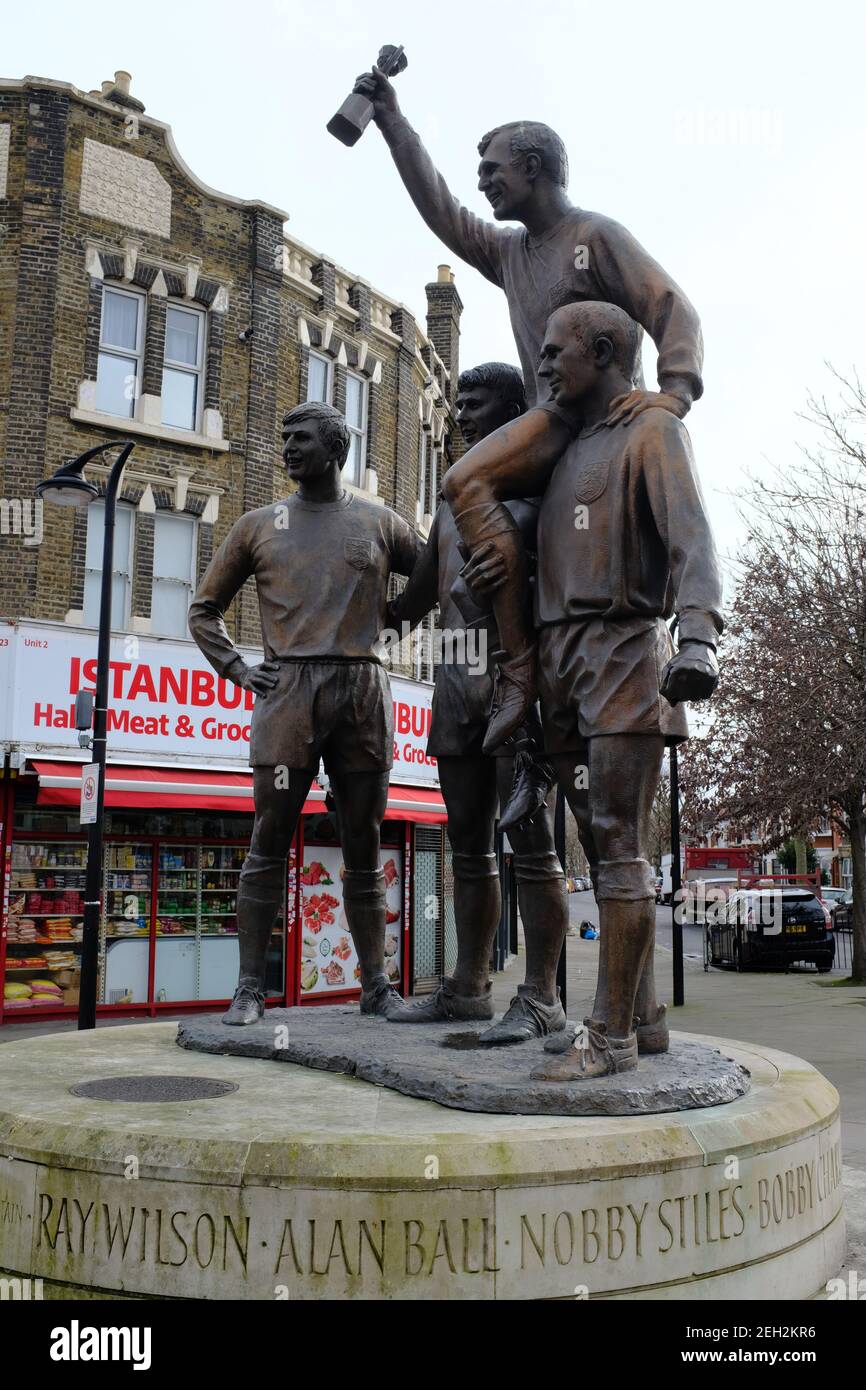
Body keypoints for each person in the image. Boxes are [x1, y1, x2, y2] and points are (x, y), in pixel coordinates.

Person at [353, 64, 704, 745]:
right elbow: (441, 211)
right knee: (467, 489)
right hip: (549, 422)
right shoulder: (508, 251)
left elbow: (670, 305)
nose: (482, 181)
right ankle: (520, 670)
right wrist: (392, 123)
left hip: (597, 416)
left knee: (474, 486)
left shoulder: (594, 237)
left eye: (492, 168)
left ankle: (543, 675)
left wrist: (675, 392)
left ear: (535, 167)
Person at [438, 302, 723, 1078]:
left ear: (602, 352)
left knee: (617, 844)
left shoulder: (652, 432)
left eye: (557, 353)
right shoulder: (561, 449)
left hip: (623, 649)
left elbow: (692, 537)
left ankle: (611, 1039)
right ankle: (649, 1019)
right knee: (594, 845)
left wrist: (697, 635)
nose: (544, 365)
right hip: (558, 659)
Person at [188, 402, 421, 1025]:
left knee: (365, 841)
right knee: (269, 837)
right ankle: (248, 989)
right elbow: (203, 610)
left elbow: (431, 574)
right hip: (288, 690)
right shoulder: (259, 526)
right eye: (284, 436)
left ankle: (376, 987)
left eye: (302, 438)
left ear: (336, 449)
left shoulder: (378, 521)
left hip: (362, 689)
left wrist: (398, 621)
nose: (288, 447)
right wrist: (237, 670)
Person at [386, 361, 568, 1044]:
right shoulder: (448, 504)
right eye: (458, 401)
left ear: (514, 411)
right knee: (467, 845)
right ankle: (466, 988)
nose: (463, 412)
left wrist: (522, 564)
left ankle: (543, 996)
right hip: (455, 691)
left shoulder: (546, 492)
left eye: (477, 402)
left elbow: (571, 582)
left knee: (531, 845)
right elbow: (413, 601)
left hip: (515, 688)